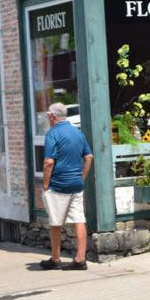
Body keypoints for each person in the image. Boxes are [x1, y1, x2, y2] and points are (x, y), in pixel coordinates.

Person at [39, 103, 93, 270]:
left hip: (58, 185)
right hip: (76, 185)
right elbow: (89, 157)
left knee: (56, 222)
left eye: (48, 115)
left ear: (52, 116)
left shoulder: (52, 134)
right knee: (79, 220)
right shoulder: (77, 132)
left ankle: (55, 259)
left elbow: (48, 162)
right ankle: (80, 259)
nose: (48, 118)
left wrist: (46, 184)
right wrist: (81, 177)